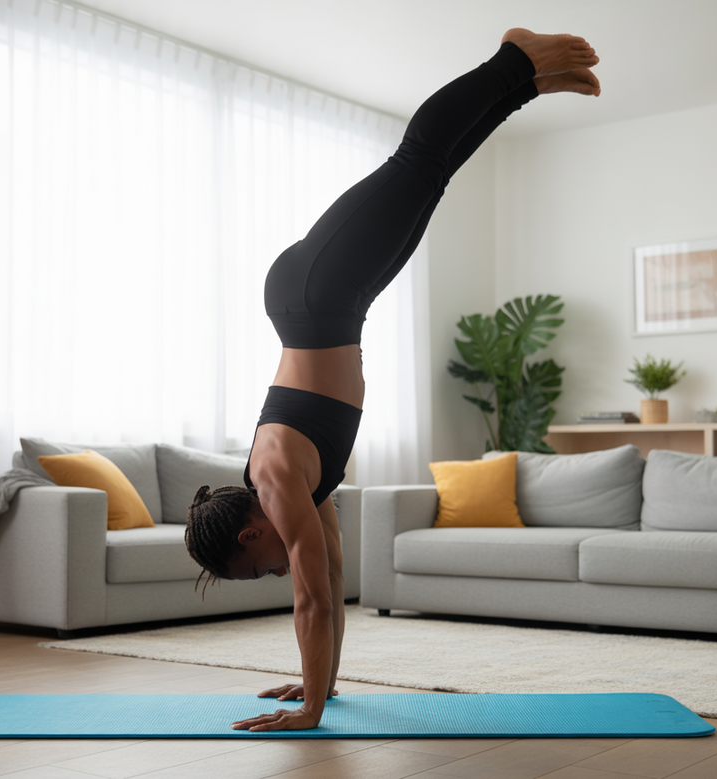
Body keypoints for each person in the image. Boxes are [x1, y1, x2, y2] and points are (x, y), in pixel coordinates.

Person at [185, 28, 600, 732]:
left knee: (414, 160)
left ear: (252, 531)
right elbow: (335, 584)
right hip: (331, 298)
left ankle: (513, 58)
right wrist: (321, 688)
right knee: (430, 173)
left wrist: (311, 711)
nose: (274, 573)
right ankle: (524, 86)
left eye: (257, 567)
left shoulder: (279, 478)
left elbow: (311, 600)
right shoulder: (294, 489)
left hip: (317, 293)